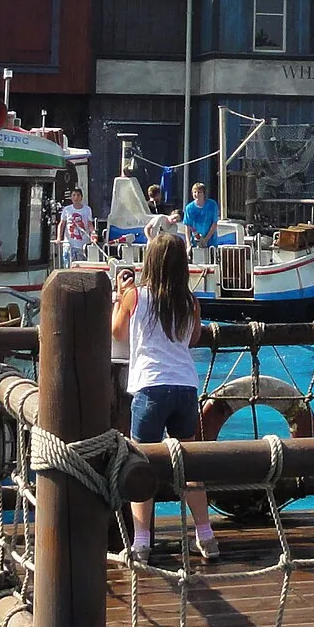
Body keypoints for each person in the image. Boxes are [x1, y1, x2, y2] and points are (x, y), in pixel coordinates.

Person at [110, 233, 218, 562]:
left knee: (142, 464)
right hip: (185, 387)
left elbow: (117, 332)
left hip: (150, 387)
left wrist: (118, 297)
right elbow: (194, 337)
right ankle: (205, 535)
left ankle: (142, 541)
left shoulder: (136, 297)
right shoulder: (190, 301)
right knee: (188, 465)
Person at [58, 187, 96, 266]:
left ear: (81, 197)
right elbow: (62, 224)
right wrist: (59, 238)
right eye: (74, 195)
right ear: (71, 197)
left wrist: (93, 233)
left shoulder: (87, 209)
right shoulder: (67, 209)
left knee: (81, 266)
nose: (76, 197)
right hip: (69, 244)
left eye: (78, 195)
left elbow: (89, 224)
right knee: (68, 265)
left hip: (82, 244)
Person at [181, 182, 220, 251]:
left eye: (199, 192)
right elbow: (187, 226)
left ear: (204, 193)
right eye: (195, 192)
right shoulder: (189, 208)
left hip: (211, 241)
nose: (196, 194)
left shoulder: (212, 205)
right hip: (195, 242)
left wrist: (205, 240)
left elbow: (214, 224)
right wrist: (188, 244)